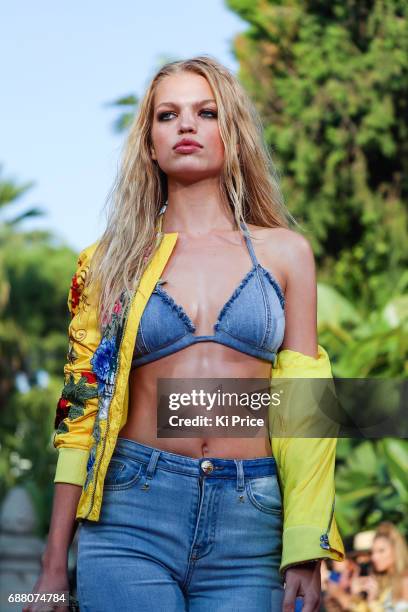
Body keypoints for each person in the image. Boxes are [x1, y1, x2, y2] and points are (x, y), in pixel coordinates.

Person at [25, 55, 344, 612]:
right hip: (130, 515)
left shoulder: (287, 254)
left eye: (206, 111)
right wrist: (54, 564)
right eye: (168, 115)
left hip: (253, 521)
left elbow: (307, 410)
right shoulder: (107, 263)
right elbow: (81, 414)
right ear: (150, 143)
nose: (187, 125)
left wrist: (306, 546)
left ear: (233, 132)